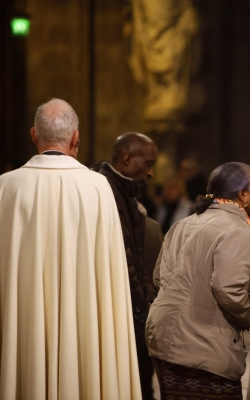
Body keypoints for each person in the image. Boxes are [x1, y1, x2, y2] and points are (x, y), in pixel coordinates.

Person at [0, 98, 141, 399]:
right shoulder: (97, 188)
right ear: (74, 138)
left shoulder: (3, 189)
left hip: (23, 333)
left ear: (34, 135)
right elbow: (109, 279)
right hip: (84, 335)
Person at [146, 162, 250, 400]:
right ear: (242, 194)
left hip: (163, 340)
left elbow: (159, 278)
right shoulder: (237, 230)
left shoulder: (183, 223)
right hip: (203, 347)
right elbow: (229, 290)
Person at [92, 132, 163, 400]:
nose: (152, 173)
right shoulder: (105, 190)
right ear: (127, 158)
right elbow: (125, 255)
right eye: (147, 164)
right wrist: (143, 306)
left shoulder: (122, 190)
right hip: (118, 305)